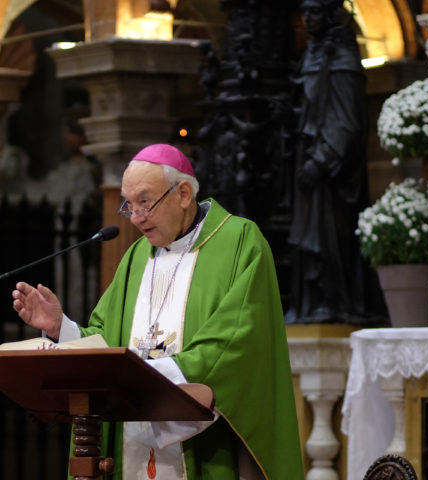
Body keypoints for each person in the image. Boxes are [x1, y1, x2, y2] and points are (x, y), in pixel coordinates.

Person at [12, 143, 304, 479]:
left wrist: (143, 378)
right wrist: (61, 327)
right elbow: (108, 341)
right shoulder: (137, 256)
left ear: (182, 194)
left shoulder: (239, 241)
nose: (135, 217)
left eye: (145, 202)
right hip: (130, 442)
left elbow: (236, 342)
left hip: (203, 449)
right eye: (129, 204)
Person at [286, 0, 387, 324]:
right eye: (305, 10)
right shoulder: (311, 54)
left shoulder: (342, 57)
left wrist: (324, 159)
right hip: (309, 157)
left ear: (331, 15)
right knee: (308, 233)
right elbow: (313, 106)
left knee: (330, 234)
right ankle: (312, 301)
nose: (307, 18)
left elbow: (347, 120)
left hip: (330, 168)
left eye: (315, 11)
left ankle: (332, 300)